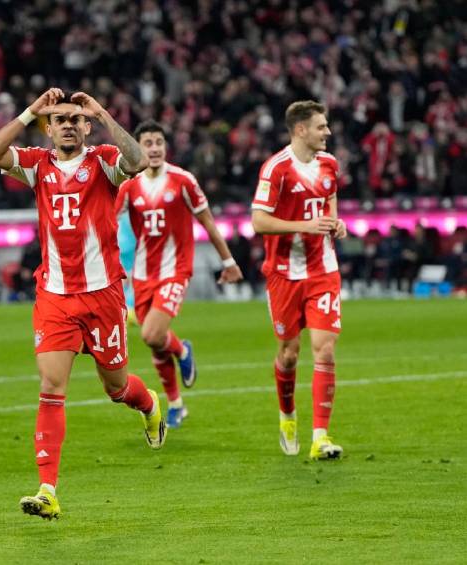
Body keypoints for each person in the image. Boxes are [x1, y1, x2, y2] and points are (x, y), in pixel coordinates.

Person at [0, 87, 159, 520]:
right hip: (55, 296)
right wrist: (28, 111)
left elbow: (136, 162)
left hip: (103, 295)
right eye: (58, 119)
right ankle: (48, 489)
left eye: (75, 119)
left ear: (85, 126)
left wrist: (102, 110)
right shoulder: (37, 165)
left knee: (116, 389)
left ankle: (149, 405)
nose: (66, 125)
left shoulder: (102, 160)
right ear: (49, 126)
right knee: (51, 387)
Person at [116, 120, 244, 428]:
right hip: (144, 274)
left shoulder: (183, 180)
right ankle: (176, 404)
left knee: (151, 334)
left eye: (159, 142)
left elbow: (208, 223)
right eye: (147, 143)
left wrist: (229, 262)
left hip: (175, 271)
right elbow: (106, 221)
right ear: (137, 148)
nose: (155, 148)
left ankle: (182, 349)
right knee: (155, 343)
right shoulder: (129, 186)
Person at [250, 100, 347, 460]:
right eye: (322, 127)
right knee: (289, 355)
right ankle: (288, 414)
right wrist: (304, 225)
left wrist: (336, 223)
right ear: (301, 129)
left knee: (325, 347)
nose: (328, 132)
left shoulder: (330, 164)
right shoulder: (276, 169)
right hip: (284, 275)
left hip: (323, 270)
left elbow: (329, 199)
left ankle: (320, 436)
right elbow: (259, 221)